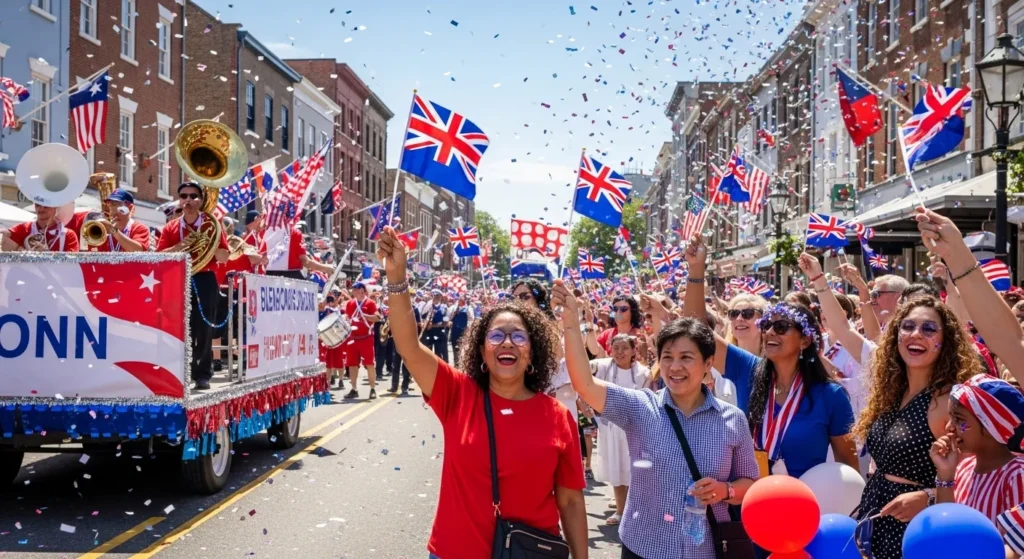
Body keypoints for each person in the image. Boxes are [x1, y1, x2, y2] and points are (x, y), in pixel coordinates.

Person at [376, 226, 588, 559]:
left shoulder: (558, 415)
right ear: (481, 350)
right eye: (496, 336)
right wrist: (397, 276)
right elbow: (407, 345)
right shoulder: (457, 393)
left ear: (533, 353)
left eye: (519, 337)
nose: (507, 342)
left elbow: (571, 500)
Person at [553, 279, 758, 559]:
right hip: (644, 547)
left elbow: (751, 484)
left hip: (707, 550)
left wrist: (725, 490)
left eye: (686, 357)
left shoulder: (732, 419)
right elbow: (585, 385)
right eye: (667, 357)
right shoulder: (639, 406)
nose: (675, 367)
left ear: (708, 363)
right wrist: (571, 322)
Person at [682, 237, 859, 480]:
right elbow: (696, 328)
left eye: (782, 326)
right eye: (767, 325)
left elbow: (848, 469)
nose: (771, 332)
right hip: (748, 502)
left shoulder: (831, 396)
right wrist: (696, 269)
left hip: (804, 507)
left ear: (805, 340)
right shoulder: (749, 370)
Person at [852, 296, 980, 559]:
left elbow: (974, 476)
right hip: (877, 516)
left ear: (947, 341)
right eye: (907, 326)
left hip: (920, 529)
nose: (916, 334)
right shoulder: (891, 392)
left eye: (929, 329)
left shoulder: (946, 401)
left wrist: (927, 497)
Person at [156, 182, 229, 390]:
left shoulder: (213, 224)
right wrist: (179, 247)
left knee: (203, 329)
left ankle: (203, 374)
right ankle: (179, 372)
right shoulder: (171, 227)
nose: (188, 200)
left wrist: (210, 244)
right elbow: (159, 255)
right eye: (184, 196)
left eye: (194, 196)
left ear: (201, 200)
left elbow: (224, 256)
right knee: (178, 326)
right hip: (178, 278)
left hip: (205, 279)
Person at [930, 374, 1024, 522]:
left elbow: (1015, 541)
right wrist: (945, 474)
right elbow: (946, 525)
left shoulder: (1016, 476)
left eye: (959, 419)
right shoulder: (964, 467)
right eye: (951, 417)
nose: (949, 427)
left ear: (990, 427)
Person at [590, 334, 650, 525]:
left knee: (634, 468)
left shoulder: (643, 373)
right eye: (615, 348)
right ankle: (620, 510)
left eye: (624, 347)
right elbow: (582, 371)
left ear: (634, 350)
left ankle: (636, 508)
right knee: (616, 467)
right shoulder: (603, 367)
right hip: (611, 427)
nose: (619, 352)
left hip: (635, 427)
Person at [343, 282, 381, 400]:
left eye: (361, 291)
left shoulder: (370, 303)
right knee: (352, 365)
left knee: (369, 364)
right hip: (352, 338)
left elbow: (378, 317)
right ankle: (354, 389)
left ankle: (373, 388)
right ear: (353, 292)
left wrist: (365, 315)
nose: (359, 293)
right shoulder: (349, 303)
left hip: (366, 338)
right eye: (356, 291)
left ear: (364, 292)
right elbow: (347, 317)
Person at [82, 189, 149, 252]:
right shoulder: (103, 229)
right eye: (110, 205)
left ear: (130, 208)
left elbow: (138, 251)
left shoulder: (140, 228)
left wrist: (113, 231)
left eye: (116, 205)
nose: (112, 210)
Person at [1, 202, 79, 252]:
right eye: (37, 205)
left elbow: (72, 264)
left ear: (56, 208)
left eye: (46, 206)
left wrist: (46, 254)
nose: (40, 209)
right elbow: (6, 250)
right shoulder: (23, 228)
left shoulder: (68, 235)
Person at [419, 289, 450, 361]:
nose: (435, 297)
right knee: (427, 354)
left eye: (437, 296)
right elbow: (422, 318)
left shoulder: (444, 308)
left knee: (439, 354)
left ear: (440, 297)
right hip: (428, 333)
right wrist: (425, 324)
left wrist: (433, 325)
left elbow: (445, 323)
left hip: (439, 333)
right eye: (434, 296)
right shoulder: (428, 307)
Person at [447, 294, 475, 365]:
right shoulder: (454, 308)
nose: (460, 301)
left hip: (463, 330)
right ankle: (456, 363)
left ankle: (462, 363)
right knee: (454, 346)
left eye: (462, 300)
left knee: (462, 347)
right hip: (455, 330)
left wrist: (468, 329)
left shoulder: (468, 308)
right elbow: (449, 317)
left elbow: (471, 319)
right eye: (459, 300)